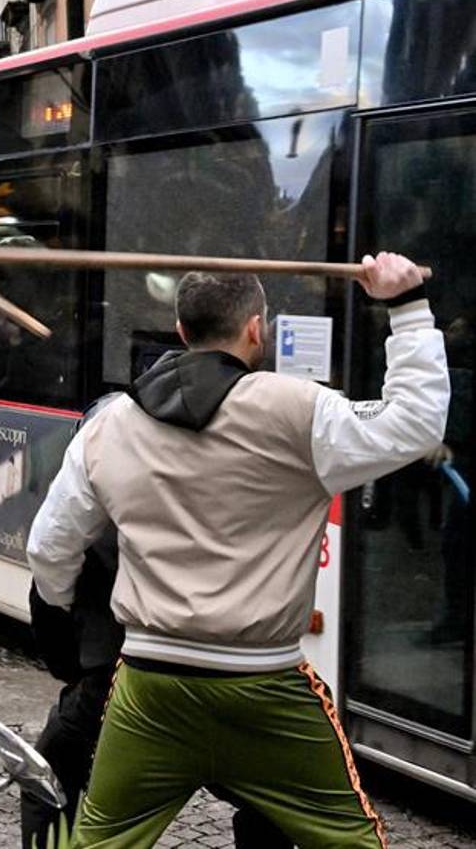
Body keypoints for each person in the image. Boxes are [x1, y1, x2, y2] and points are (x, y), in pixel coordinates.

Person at [28, 252, 449, 849]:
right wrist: (405, 307)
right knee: (352, 840)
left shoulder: (109, 424)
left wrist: (57, 614)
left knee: (99, 841)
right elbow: (417, 423)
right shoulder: (301, 411)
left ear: (181, 331)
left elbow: (51, 547)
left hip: (150, 688)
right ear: (256, 329)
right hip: (265, 688)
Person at [23, 396, 296, 849]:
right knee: (268, 790)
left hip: (123, 682)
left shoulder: (90, 521)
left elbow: (50, 584)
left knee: (47, 770)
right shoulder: (198, 508)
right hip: (222, 679)